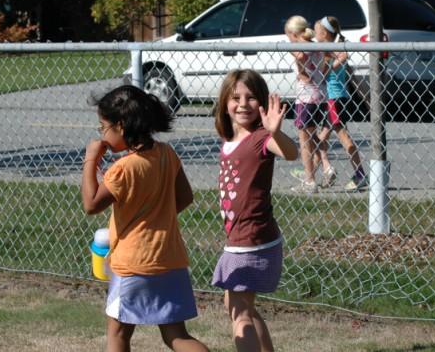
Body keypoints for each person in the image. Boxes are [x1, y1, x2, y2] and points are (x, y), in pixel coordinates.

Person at [81, 85, 209, 352]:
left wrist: (90, 160)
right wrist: (157, 217)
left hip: (134, 264)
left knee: (117, 335)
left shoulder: (123, 169)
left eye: (102, 127)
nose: (101, 134)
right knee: (176, 336)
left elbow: (91, 205)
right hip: (170, 259)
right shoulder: (166, 154)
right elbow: (185, 198)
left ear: (121, 126)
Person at [212, 69, 298, 352]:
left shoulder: (261, 138)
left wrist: (276, 132)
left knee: (240, 313)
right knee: (237, 305)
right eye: (236, 97)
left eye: (250, 97)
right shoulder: (229, 141)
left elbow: (291, 153)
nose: (243, 104)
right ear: (225, 103)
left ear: (261, 103)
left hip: (251, 239)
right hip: (244, 238)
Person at [314, 16, 368, 191]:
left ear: (324, 34)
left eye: (316, 33)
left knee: (342, 136)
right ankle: (316, 173)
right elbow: (351, 75)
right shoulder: (330, 51)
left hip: (333, 99)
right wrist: (364, 95)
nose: (315, 37)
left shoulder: (332, 51)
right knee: (321, 139)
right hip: (336, 98)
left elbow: (342, 58)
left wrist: (328, 65)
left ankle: (359, 173)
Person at [284, 15, 334, 193]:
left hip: (306, 97)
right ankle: (326, 167)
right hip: (321, 95)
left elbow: (304, 70)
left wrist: (298, 63)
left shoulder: (301, 49)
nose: (287, 40)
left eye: (288, 36)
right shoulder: (317, 46)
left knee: (304, 140)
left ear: (294, 34)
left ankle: (310, 182)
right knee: (313, 138)